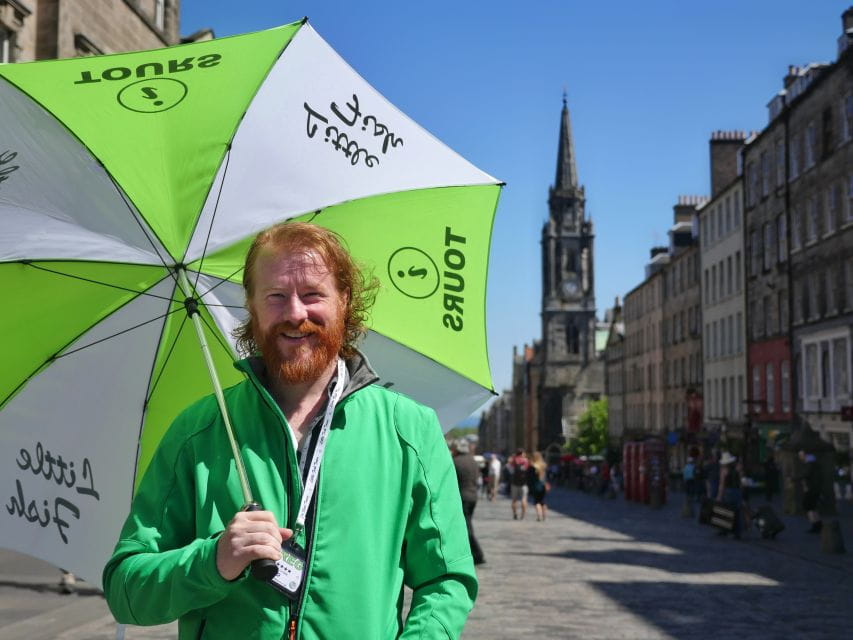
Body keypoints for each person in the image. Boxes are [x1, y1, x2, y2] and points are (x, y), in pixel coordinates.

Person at [102, 222, 477, 639]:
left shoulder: (408, 429)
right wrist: (213, 561)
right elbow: (125, 589)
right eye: (276, 296)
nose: (295, 313)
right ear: (252, 306)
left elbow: (446, 581)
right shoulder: (199, 430)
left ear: (344, 300)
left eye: (313, 294)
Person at [452, 439, 485, 565]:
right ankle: (469, 553)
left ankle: (478, 554)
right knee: (467, 523)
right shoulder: (472, 461)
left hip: (463, 496)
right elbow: (477, 478)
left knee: (466, 526)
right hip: (472, 496)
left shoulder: (455, 462)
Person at [716, 451, 742, 539]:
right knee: (737, 512)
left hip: (728, 491)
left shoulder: (724, 470)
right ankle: (737, 532)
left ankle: (724, 530)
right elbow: (741, 481)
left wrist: (719, 496)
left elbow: (722, 484)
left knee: (726, 510)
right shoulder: (738, 468)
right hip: (737, 491)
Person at [799, 450, 823, 533]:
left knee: (808, 506)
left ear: (805, 455)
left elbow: (806, 474)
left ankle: (816, 524)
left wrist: (794, 478)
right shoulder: (812, 463)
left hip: (811, 489)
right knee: (812, 507)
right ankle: (817, 524)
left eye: (801, 455)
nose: (800, 457)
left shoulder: (809, 464)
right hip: (813, 489)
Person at [508, 449, 530, 520]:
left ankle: (515, 514)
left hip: (514, 482)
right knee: (524, 499)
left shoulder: (514, 460)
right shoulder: (526, 460)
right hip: (523, 483)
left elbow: (509, 468)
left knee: (514, 500)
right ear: (522, 453)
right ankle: (523, 515)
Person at [529, 451, 549, 521]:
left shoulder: (532, 466)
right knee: (543, 501)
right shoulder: (543, 465)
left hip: (536, 485)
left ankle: (539, 516)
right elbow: (546, 477)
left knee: (537, 502)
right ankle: (544, 516)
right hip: (543, 485)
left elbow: (530, 477)